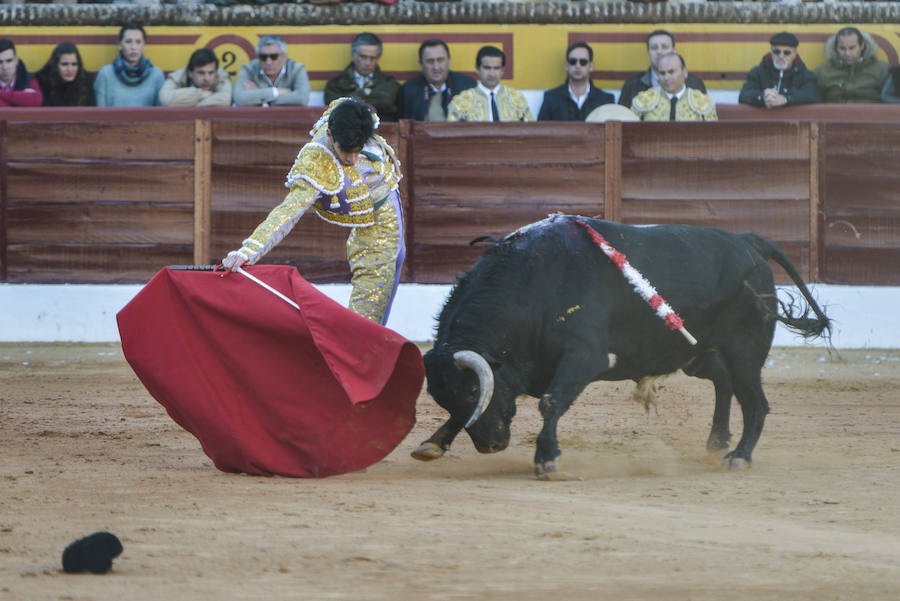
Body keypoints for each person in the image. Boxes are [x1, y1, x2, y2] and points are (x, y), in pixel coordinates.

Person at [221, 98, 404, 326]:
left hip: (388, 196)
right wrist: (248, 251)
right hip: (376, 217)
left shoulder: (353, 115)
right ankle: (362, 344)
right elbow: (288, 212)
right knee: (374, 285)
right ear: (330, 136)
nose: (351, 160)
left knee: (397, 259)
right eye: (345, 151)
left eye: (357, 152)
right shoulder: (316, 161)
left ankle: (374, 336)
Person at [618, 29, 707, 109]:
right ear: (648, 54)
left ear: (674, 51)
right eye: (654, 48)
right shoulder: (631, 86)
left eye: (664, 47)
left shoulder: (694, 83)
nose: (659, 52)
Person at [324, 33, 400, 122]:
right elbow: (333, 108)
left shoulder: (390, 83)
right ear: (353, 55)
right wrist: (366, 95)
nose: (368, 63)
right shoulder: (335, 84)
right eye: (363, 57)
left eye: (372, 58)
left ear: (378, 58)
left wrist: (353, 99)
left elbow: (388, 103)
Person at [446, 46, 533, 122]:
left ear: (502, 70)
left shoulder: (517, 99)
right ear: (477, 69)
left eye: (496, 68)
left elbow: (531, 132)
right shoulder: (461, 101)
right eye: (487, 68)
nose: (492, 73)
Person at [396, 39, 476, 121]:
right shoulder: (408, 91)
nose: (436, 67)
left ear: (448, 61)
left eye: (440, 60)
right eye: (430, 61)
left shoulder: (467, 87)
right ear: (421, 64)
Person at [739, 32, 819, 109]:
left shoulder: (806, 76)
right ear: (771, 52)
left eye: (787, 53)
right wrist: (763, 97)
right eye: (776, 52)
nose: (781, 56)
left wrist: (785, 99)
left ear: (794, 54)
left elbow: (813, 95)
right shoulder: (757, 72)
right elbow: (744, 95)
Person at [538, 41, 615, 121]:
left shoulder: (605, 100)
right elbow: (540, 131)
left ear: (591, 66)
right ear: (566, 66)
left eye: (583, 62)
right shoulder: (551, 98)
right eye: (573, 62)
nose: (578, 66)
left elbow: (613, 131)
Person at [94, 23, 164, 107]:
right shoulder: (106, 74)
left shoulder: (156, 75)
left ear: (144, 45)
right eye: (128, 41)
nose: (133, 47)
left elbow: (161, 114)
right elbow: (100, 114)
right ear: (120, 45)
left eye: (138, 42)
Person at [631, 53, 717, 121]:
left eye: (671, 72)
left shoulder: (703, 102)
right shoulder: (642, 100)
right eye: (662, 73)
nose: (666, 77)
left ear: (685, 72)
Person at [815, 27, 890, 104]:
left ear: (862, 46)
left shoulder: (882, 69)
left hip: (871, 114)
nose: (847, 53)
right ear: (836, 48)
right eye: (842, 48)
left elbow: (890, 99)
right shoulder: (823, 71)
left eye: (852, 48)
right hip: (835, 114)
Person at [233, 35, 310, 107]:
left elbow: (302, 99)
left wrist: (259, 97)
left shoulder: (297, 69)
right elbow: (239, 99)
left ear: (284, 57)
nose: (268, 62)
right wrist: (275, 92)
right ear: (258, 57)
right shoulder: (248, 69)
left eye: (274, 56)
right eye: (263, 57)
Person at [159, 48, 231, 107]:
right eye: (201, 73)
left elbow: (225, 101)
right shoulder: (178, 77)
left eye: (211, 73)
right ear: (190, 73)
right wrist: (200, 94)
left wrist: (185, 104)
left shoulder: (221, 75)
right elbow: (166, 100)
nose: (207, 78)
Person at [35, 42, 95, 106]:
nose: (70, 69)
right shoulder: (44, 81)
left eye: (74, 64)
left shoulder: (86, 81)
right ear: (55, 65)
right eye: (64, 64)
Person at [0, 38, 43, 107]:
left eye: (9, 61)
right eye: (0, 62)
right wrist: (21, 98)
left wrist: (2, 94)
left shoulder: (28, 79)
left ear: (16, 61)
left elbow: (36, 100)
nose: (5, 67)